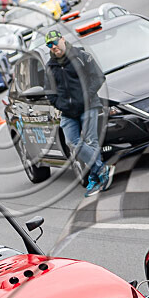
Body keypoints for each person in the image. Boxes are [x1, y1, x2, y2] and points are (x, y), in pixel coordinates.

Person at [44, 30, 113, 197]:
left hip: (88, 106)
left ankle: (96, 178)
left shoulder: (81, 56)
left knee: (90, 140)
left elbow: (98, 77)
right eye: (49, 45)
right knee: (72, 142)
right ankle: (101, 169)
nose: (53, 47)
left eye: (55, 43)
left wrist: (85, 97)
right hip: (67, 112)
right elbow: (49, 92)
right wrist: (60, 104)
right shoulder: (50, 67)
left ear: (62, 39)